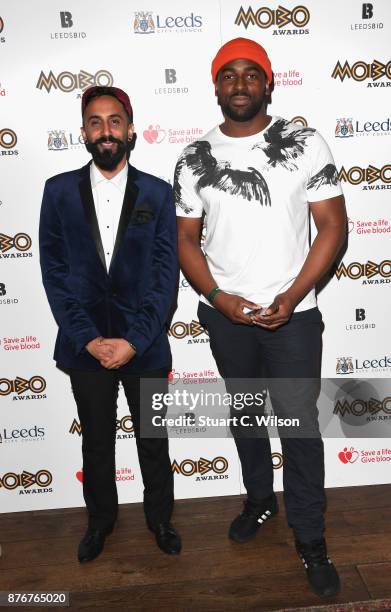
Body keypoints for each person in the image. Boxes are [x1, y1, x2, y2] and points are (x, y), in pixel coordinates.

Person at [174, 38, 346, 598]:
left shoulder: (303, 142)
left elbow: (333, 229)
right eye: (229, 74)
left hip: (294, 319)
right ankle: (258, 502)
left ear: (268, 82)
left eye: (252, 74)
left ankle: (312, 540)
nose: (241, 83)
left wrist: (294, 297)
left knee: (298, 429)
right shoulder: (194, 156)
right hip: (227, 317)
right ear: (216, 86)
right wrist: (219, 298)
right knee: (246, 415)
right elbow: (185, 240)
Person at [39, 85, 181, 562]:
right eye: (95, 122)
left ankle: (161, 520)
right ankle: (100, 523)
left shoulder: (158, 194)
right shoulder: (57, 192)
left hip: (145, 345)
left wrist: (134, 342)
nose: (106, 131)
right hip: (85, 346)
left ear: (131, 130)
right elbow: (55, 274)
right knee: (97, 444)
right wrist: (91, 340)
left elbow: (165, 277)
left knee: (153, 442)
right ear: (83, 132)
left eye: (114, 121)